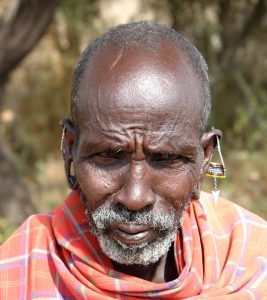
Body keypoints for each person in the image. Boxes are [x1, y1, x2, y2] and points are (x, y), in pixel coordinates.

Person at [0, 21, 266, 299]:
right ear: (70, 150)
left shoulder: (251, 261)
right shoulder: (20, 272)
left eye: (165, 158)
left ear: (204, 158)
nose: (135, 198)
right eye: (109, 156)